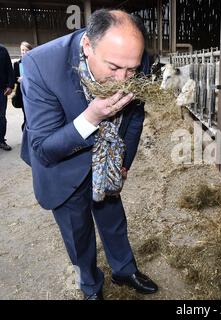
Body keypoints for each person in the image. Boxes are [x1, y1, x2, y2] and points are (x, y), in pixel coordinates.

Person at [20, 9, 158, 300]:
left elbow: (134, 117)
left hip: (107, 160)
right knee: (77, 232)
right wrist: (91, 117)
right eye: (113, 68)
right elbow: (44, 148)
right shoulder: (40, 64)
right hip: (64, 166)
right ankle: (91, 286)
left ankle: (124, 270)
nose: (123, 80)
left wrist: (123, 162)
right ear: (87, 46)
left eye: (131, 71)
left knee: (113, 218)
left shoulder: (135, 57)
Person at [12, 41, 33, 131]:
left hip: (33, 92)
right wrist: (18, 80)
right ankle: (25, 132)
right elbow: (13, 79)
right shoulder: (17, 64)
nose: (24, 52)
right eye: (22, 50)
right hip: (22, 92)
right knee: (26, 114)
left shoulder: (34, 63)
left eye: (26, 50)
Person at [0, 43, 15, 151]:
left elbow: (9, 69)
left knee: (1, 116)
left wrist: (10, 85)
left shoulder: (3, 50)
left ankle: (1, 140)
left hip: (2, 90)